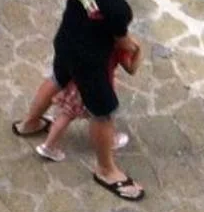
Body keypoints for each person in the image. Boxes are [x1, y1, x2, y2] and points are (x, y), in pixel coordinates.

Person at [12, 0, 147, 200]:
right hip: (90, 62)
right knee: (103, 112)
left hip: (66, 41)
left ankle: (29, 123)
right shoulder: (118, 7)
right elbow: (122, 42)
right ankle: (106, 170)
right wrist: (136, 47)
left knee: (57, 78)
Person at [35, 33, 140, 163]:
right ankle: (108, 140)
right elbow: (131, 69)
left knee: (67, 113)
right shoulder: (118, 47)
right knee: (103, 116)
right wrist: (138, 51)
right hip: (98, 87)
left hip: (77, 82)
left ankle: (49, 144)